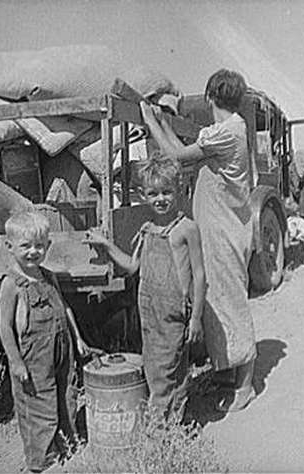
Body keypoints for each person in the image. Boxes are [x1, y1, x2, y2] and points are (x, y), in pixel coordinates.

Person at [140, 69, 257, 412]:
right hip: (218, 227)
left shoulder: (226, 130)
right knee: (216, 300)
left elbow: (176, 157)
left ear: (209, 98)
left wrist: (151, 121)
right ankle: (226, 372)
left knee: (230, 301)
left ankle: (246, 385)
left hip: (224, 229)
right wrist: (161, 124)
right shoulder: (231, 129)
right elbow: (181, 150)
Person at [84, 153, 206, 419]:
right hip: (150, 313)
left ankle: (158, 432)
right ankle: (177, 423)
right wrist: (106, 246)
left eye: (167, 192)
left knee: (166, 370)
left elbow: (199, 275)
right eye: (153, 193)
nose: (160, 199)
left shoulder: (187, 229)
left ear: (179, 189)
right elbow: (132, 267)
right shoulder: (147, 229)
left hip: (174, 311)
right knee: (160, 367)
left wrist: (196, 317)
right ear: (143, 195)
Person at [0, 211, 89, 473]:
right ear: (10, 246)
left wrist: (78, 338)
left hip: (62, 349)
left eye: (39, 246)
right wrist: (15, 361)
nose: (33, 252)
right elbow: (4, 325)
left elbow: (65, 307)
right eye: (25, 246)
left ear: (48, 246)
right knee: (38, 405)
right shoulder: (11, 284)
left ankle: (66, 444)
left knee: (65, 394)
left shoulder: (49, 276)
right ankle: (43, 459)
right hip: (33, 356)